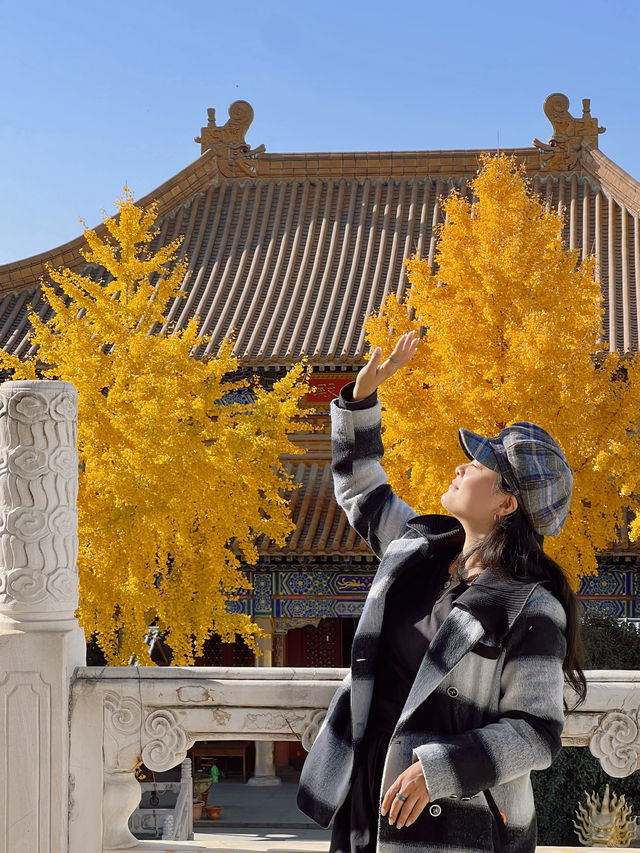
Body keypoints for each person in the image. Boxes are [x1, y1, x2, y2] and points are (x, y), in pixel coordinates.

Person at [296, 330, 587, 853]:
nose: (461, 466)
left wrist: (436, 771)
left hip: (452, 816)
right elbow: (362, 489)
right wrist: (361, 399)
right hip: (368, 790)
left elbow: (536, 732)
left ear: (506, 505)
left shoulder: (531, 606)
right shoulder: (419, 547)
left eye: (478, 466)